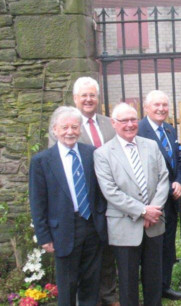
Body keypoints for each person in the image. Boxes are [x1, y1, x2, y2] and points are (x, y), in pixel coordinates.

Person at [48, 77, 118, 306]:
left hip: (108, 201)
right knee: (78, 263)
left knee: (105, 256)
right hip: (80, 202)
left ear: (98, 98)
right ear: (75, 98)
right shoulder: (65, 126)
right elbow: (55, 167)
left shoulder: (109, 124)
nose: (88, 99)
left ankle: (108, 296)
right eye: (84, 95)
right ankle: (87, 300)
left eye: (92, 95)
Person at [29, 106, 107, 305]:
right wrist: (44, 235)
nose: (70, 132)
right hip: (62, 229)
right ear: (54, 129)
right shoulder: (42, 161)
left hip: (91, 226)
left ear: (80, 129)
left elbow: (100, 191)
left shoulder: (91, 153)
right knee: (67, 284)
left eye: (74, 127)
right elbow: (37, 201)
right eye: (64, 127)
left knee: (91, 281)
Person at [94, 103, 169, 306]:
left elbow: (164, 178)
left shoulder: (151, 145)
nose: (129, 124)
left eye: (133, 120)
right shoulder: (103, 154)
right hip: (125, 226)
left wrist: (154, 210)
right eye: (124, 120)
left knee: (153, 277)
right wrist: (143, 211)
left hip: (154, 224)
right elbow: (110, 191)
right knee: (128, 281)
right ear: (113, 123)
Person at [137, 90, 181, 301]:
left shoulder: (169, 130)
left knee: (167, 246)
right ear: (146, 107)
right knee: (150, 250)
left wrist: (179, 181)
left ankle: (164, 285)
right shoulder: (138, 130)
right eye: (156, 105)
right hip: (149, 203)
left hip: (171, 201)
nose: (161, 109)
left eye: (164, 105)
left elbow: (178, 161)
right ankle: (151, 289)